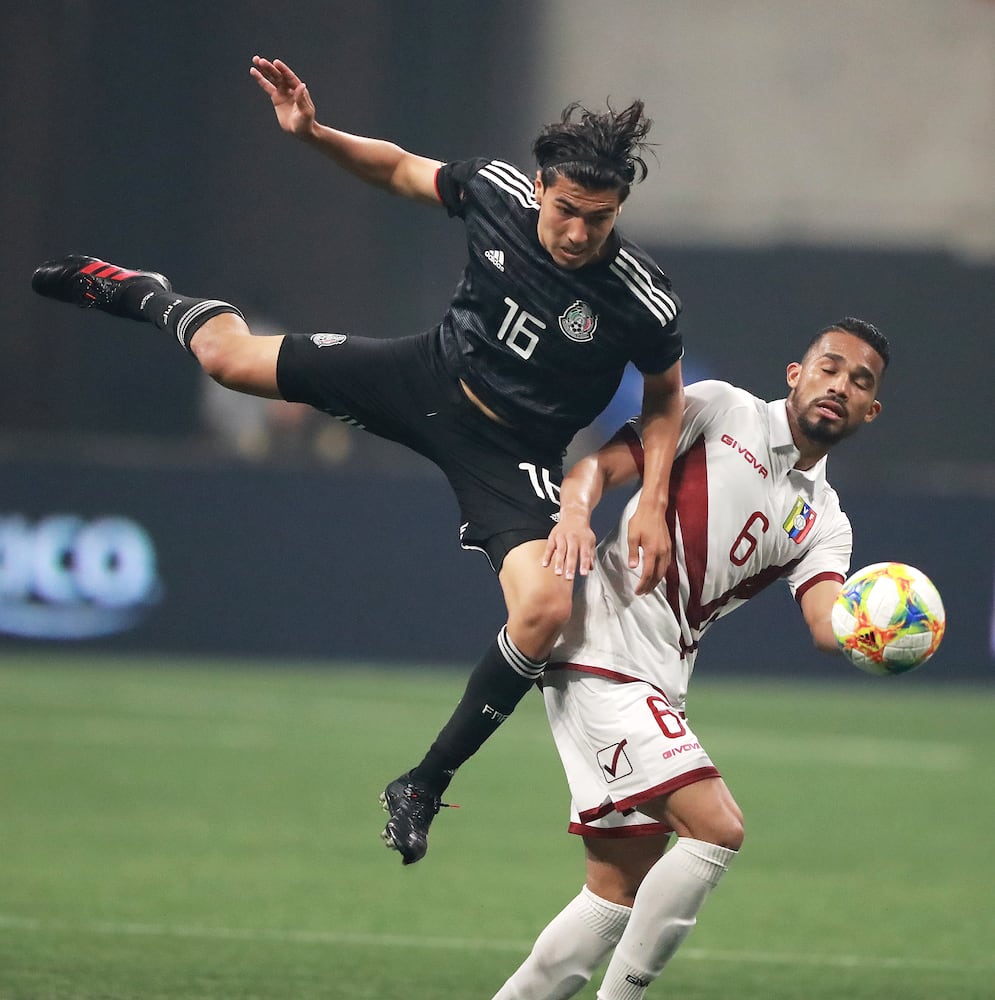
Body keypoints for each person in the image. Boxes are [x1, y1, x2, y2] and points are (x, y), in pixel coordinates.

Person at [30, 56, 685, 865]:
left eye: (601, 217)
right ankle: (141, 290)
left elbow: (664, 399)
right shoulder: (499, 193)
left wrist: (651, 497)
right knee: (228, 363)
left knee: (546, 613)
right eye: (568, 210)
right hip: (427, 376)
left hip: (514, 451)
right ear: (542, 184)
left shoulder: (639, 296)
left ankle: (422, 783)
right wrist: (312, 132)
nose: (581, 233)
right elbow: (402, 169)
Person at [491, 318, 888, 1000]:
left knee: (615, 889)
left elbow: (828, 623)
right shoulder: (718, 409)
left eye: (859, 381)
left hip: (657, 681)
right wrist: (577, 514)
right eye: (828, 367)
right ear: (795, 374)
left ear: (869, 411)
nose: (838, 386)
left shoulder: (823, 517)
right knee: (716, 827)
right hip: (601, 652)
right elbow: (595, 468)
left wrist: (882, 627)